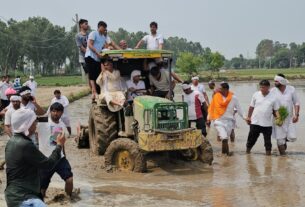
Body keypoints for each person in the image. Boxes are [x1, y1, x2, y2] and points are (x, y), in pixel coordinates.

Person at [5, 107, 65, 207]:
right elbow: (48, 164)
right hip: (23, 197)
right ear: (27, 125)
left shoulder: (11, 141)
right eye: (33, 123)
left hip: (13, 195)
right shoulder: (25, 144)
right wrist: (59, 145)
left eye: (58, 111)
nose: (35, 125)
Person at [38, 103, 73, 198]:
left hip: (59, 158)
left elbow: (58, 142)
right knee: (42, 188)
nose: (55, 113)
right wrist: (34, 103)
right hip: (45, 159)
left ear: (62, 113)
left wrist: (64, 155)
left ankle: (69, 199)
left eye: (58, 111)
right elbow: (34, 116)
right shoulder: (44, 121)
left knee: (69, 179)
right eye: (53, 111)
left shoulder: (61, 125)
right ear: (50, 112)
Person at [207, 82, 245, 155]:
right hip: (218, 120)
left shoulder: (233, 98)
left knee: (226, 138)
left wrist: (245, 118)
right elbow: (211, 108)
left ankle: (226, 155)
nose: (218, 90)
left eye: (220, 89)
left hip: (229, 120)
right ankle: (224, 155)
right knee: (224, 138)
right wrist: (208, 118)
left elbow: (239, 109)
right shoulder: (216, 96)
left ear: (226, 89)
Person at [245, 80, 279, 155]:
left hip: (267, 124)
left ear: (268, 87)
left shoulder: (274, 97)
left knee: (268, 142)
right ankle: (247, 153)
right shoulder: (255, 94)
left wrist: (279, 119)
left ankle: (268, 157)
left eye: (263, 87)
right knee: (251, 140)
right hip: (255, 122)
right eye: (260, 87)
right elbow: (251, 107)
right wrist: (248, 117)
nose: (261, 89)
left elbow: (276, 110)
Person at [271, 74, 300, 155]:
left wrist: (296, 115)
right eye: (275, 81)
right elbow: (271, 105)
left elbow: (296, 103)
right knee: (280, 140)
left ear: (282, 81)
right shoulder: (272, 91)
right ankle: (283, 157)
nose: (274, 82)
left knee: (291, 137)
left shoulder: (291, 89)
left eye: (276, 81)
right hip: (277, 118)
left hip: (289, 118)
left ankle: (284, 143)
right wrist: (277, 117)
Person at [85, 21, 108, 100]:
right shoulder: (93, 33)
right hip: (90, 56)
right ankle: (94, 91)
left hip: (98, 58)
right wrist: (97, 52)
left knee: (97, 75)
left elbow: (105, 47)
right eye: (103, 27)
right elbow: (89, 44)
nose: (104, 29)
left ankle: (99, 92)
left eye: (105, 28)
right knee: (92, 75)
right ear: (99, 27)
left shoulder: (103, 37)